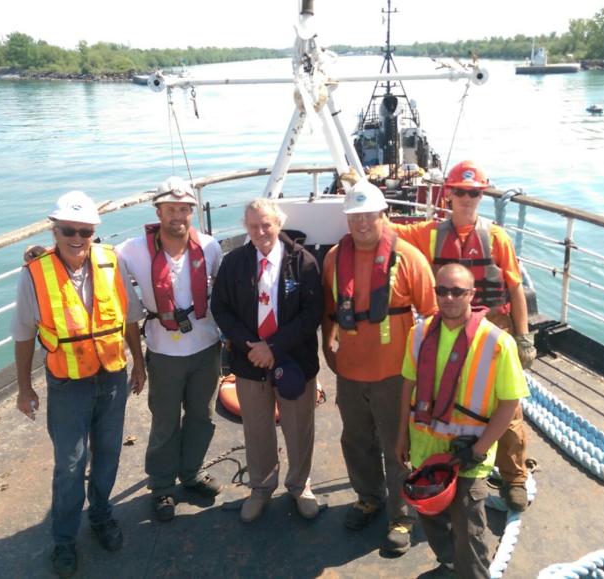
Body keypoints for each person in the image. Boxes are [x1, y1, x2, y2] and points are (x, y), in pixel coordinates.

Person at [11, 190, 146, 578]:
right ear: (54, 231)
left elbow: (130, 318)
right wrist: (25, 388)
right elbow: (23, 335)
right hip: (68, 384)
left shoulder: (111, 262)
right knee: (70, 465)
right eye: (68, 229)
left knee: (109, 454)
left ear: (94, 233)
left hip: (113, 377)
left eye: (84, 231)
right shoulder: (34, 274)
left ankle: (102, 516)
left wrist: (139, 363)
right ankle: (64, 539)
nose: (76, 238)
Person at [391, 159, 535, 511]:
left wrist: (523, 336)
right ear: (448, 194)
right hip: (449, 326)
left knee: (509, 408)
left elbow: (515, 288)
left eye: (474, 193)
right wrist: (359, 198)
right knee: (451, 399)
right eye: (460, 192)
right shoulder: (429, 233)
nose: (467, 199)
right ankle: (451, 465)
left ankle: (513, 477)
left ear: (481, 197)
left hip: (492, 329)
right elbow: (386, 231)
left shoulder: (496, 237)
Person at [321, 179, 438, 555]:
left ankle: (401, 514)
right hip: (350, 373)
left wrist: (427, 372)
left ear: (383, 215)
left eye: (369, 215)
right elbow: (329, 310)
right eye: (355, 217)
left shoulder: (409, 258)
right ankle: (368, 498)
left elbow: (433, 315)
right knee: (355, 440)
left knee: (397, 446)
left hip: (395, 376)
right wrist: (327, 346)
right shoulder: (334, 258)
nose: (362, 223)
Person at [395, 264, 529, 579]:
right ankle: (450, 565)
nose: (449, 297)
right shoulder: (419, 334)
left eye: (457, 291)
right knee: (430, 516)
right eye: (442, 290)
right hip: (426, 449)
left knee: (469, 527)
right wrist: (401, 436)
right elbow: (407, 386)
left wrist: (480, 449)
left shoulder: (498, 343)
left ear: (471, 294)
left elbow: (510, 402)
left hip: (469, 453)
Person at [115, 176, 224, 522]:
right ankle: (162, 486)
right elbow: (128, 312)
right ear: (158, 211)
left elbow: (222, 297)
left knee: (202, 415)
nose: (178, 215)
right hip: (163, 351)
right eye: (171, 209)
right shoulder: (129, 252)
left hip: (206, 347)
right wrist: (138, 362)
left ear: (192, 211)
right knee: (164, 421)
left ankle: (191, 473)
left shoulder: (210, 247)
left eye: (184, 209)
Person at [210, 199, 324, 523]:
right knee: (257, 429)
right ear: (246, 228)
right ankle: (261, 487)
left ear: (278, 224)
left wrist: (272, 346)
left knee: (299, 427)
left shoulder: (303, 262)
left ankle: (300, 485)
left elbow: (312, 312)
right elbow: (221, 308)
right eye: (254, 226)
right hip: (249, 365)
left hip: (295, 362)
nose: (261, 232)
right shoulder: (234, 263)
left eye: (267, 225)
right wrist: (251, 346)